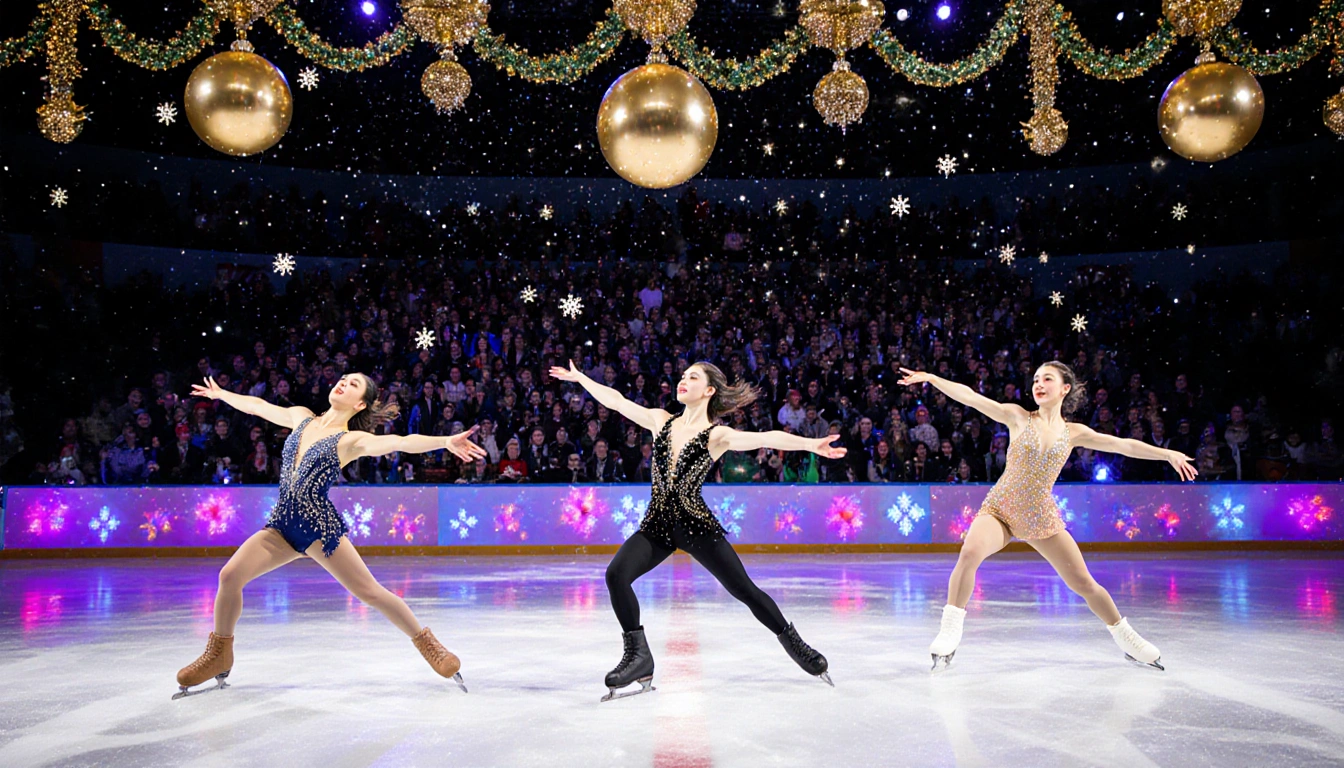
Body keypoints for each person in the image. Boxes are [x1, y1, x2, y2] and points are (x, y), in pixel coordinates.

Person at [173, 374, 486, 699]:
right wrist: (222, 394)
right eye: (343, 379)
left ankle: (429, 645)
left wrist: (444, 441)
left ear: (360, 403)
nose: (343, 383)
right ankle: (219, 653)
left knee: (371, 593)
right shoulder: (301, 416)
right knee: (230, 576)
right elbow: (258, 407)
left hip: (318, 529)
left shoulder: (350, 440)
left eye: (353, 385)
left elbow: (400, 442)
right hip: (281, 525)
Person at [551, 360, 842, 700]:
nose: (683, 380)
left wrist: (811, 445)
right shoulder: (661, 420)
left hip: (694, 525)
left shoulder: (716, 435)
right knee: (616, 575)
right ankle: (639, 657)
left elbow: (766, 437)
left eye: (693, 377)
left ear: (709, 391)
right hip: (657, 525)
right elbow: (616, 401)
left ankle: (796, 645)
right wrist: (582, 377)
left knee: (744, 590)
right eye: (682, 375)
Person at [898, 363, 1196, 672]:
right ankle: (950, 629)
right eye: (1036, 379)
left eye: (1047, 379)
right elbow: (972, 397)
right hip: (1000, 508)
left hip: (1039, 515)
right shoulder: (1017, 416)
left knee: (1084, 583)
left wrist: (1167, 454)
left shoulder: (1073, 432)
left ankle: (1127, 638)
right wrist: (932, 379)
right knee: (970, 552)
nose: (1039, 384)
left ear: (1065, 388)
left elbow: (1123, 445)